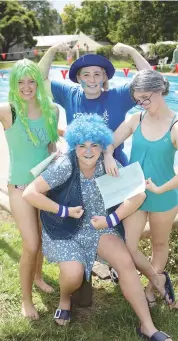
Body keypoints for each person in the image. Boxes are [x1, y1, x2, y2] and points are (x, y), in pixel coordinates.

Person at [22, 114, 173, 341]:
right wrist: (64, 211)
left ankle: (148, 327)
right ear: (74, 146)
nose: (89, 151)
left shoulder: (107, 164)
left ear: (102, 145)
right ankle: (65, 299)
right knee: (73, 274)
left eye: (94, 145)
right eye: (82, 146)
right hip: (66, 229)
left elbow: (138, 194)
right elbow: (29, 193)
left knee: (125, 262)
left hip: (100, 227)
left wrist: (109, 221)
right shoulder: (65, 164)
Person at [104, 69, 178, 308]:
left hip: (164, 194)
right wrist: (107, 155)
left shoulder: (175, 125)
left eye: (146, 98)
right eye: (138, 100)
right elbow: (110, 142)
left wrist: (159, 189)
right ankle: (158, 280)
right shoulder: (136, 118)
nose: (143, 104)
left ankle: (149, 290)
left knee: (159, 244)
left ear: (160, 91)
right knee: (128, 245)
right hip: (134, 193)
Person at [0, 59, 59, 319]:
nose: (26, 87)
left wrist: (58, 157)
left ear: (38, 82)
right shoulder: (7, 110)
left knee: (42, 240)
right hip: (20, 188)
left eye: (31, 81)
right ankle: (26, 300)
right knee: (31, 243)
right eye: (20, 82)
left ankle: (37, 277)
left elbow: (50, 148)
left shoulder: (52, 111)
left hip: (44, 186)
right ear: (14, 84)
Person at [38, 42, 152, 167]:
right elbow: (39, 79)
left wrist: (132, 51)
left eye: (97, 74)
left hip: (113, 166)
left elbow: (150, 80)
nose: (92, 80)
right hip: (78, 167)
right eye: (86, 75)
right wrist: (52, 51)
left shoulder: (118, 97)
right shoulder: (69, 95)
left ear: (104, 77)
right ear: (78, 78)